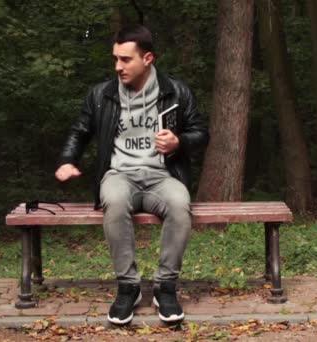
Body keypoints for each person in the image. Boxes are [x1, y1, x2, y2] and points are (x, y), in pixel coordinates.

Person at [55, 24, 209, 325]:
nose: (118, 67)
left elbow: (201, 132)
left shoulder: (176, 91)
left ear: (147, 58)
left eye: (126, 60)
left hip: (161, 175)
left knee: (180, 204)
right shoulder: (101, 94)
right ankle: (128, 287)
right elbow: (80, 129)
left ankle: (166, 286)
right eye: (115, 58)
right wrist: (67, 159)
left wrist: (179, 142)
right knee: (112, 199)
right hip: (119, 174)